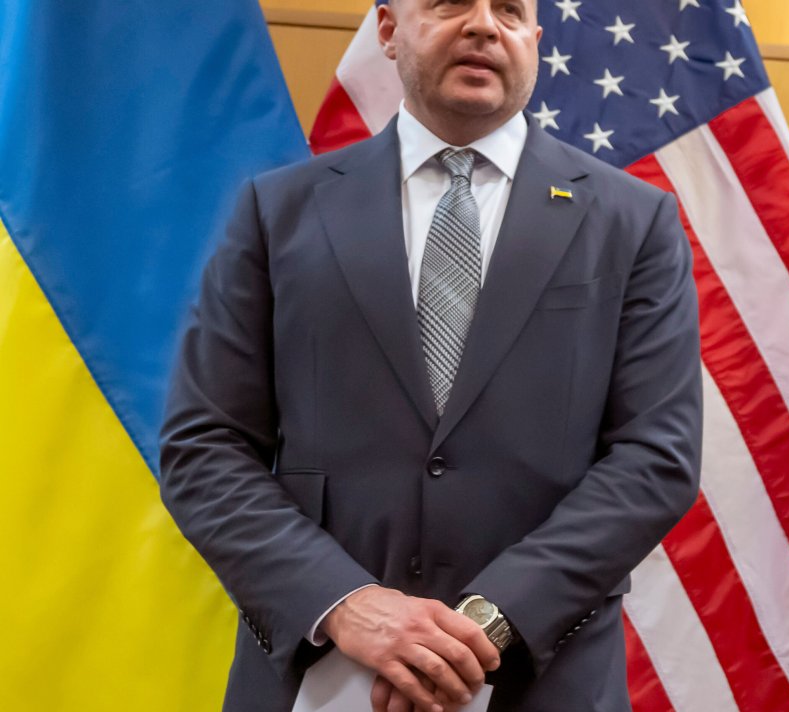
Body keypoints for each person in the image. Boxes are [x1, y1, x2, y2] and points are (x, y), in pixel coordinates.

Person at [157, 0, 701, 710]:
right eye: (450, 4)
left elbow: (656, 459)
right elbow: (204, 445)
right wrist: (344, 604)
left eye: (510, 10)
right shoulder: (276, 212)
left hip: (540, 683)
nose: (483, 25)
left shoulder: (635, 222)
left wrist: (484, 628)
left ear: (536, 39)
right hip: (320, 673)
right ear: (387, 30)